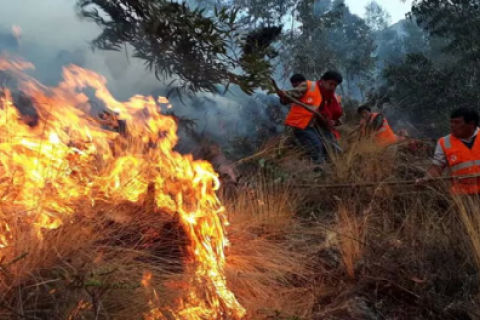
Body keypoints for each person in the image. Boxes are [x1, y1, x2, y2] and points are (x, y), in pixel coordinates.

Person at [277, 71, 343, 167]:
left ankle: (332, 171)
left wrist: (334, 121)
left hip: (324, 128)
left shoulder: (335, 98)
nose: (332, 87)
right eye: (330, 84)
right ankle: (318, 169)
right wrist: (284, 95)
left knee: (333, 149)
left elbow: (341, 116)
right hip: (303, 125)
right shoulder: (309, 86)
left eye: (335, 85)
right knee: (316, 146)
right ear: (323, 81)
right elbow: (289, 96)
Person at [416, 108, 480, 195]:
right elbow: (436, 168)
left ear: (471, 124)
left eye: (457, 122)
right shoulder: (444, 142)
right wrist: (426, 178)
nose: (452, 125)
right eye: (451, 122)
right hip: (462, 196)